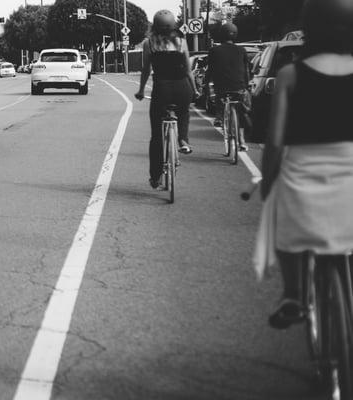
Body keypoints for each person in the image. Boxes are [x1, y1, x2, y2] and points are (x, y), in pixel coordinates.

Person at [256, 0, 353, 329]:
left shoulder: (290, 75)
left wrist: (267, 183)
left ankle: (294, 295)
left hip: (303, 176)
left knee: (279, 217)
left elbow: (275, 141)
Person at [135, 9, 198, 189]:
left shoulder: (149, 43)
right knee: (183, 112)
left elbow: (146, 70)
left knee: (156, 136)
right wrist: (195, 90)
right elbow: (188, 70)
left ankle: (155, 177)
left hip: (162, 89)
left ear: (155, 25)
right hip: (182, 87)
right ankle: (183, 140)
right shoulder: (181, 42)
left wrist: (140, 91)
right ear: (173, 25)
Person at [205, 22, 251, 151]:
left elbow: (210, 70)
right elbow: (246, 71)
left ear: (221, 35)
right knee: (241, 112)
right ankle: (242, 141)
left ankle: (219, 116)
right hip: (239, 87)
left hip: (221, 87)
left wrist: (206, 85)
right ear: (235, 35)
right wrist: (246, 86)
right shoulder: (242, 50)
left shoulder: (214, 50)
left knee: (220, 98)